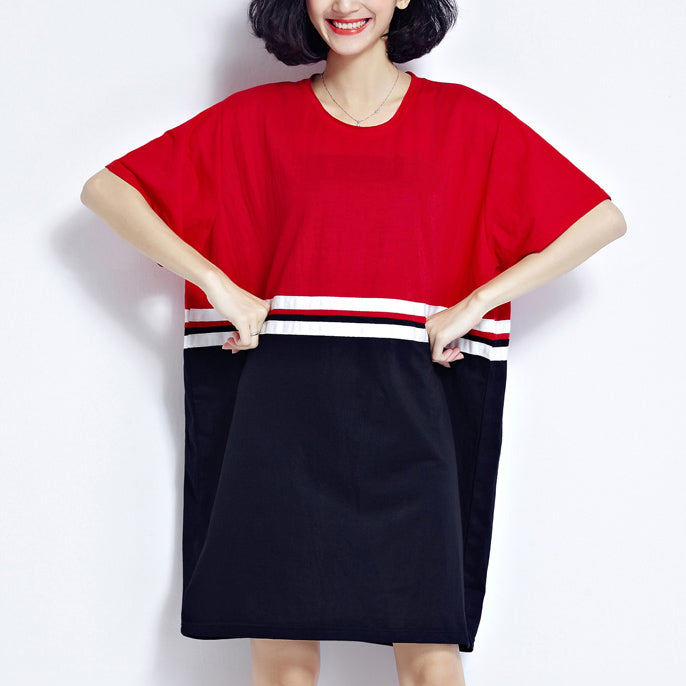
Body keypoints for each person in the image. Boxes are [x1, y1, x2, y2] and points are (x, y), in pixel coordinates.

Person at [80, 1, 626, 684]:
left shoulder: (467, 121)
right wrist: (218, 284)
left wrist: (475, 303)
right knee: (283, 661)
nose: (344, 5)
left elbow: (600, 219)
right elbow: (107, 191)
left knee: (429, 655)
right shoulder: (253, 120)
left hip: (414, 417)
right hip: (278, 418)